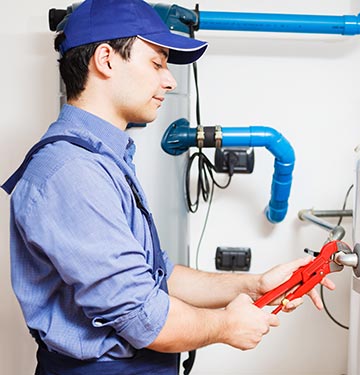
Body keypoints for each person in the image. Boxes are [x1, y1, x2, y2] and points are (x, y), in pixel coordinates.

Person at [2, 0, 335, 374]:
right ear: (106, 59)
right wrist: (227, 325)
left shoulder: (105, 158)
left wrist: (255, 285)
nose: (170, 80)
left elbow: (159, 275)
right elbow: (144, 318)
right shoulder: (71, 172)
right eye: (157, 63)